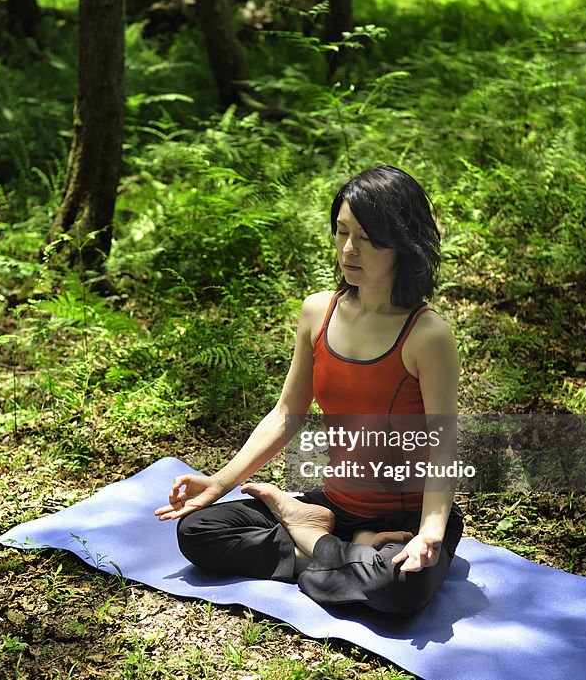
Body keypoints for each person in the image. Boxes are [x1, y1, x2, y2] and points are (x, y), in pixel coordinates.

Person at [153, 165, 463, 615]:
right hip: (337, 504)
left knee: (399, 588)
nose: (349, 249)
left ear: (403, 242)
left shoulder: (427, 335)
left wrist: (431, 532)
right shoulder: (318, 311)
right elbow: (286, 414)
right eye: (341, 232)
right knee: (199, 531)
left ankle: (316, 539)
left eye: (369, 237)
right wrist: (218, 484)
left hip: (408, 517)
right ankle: (338, 543)